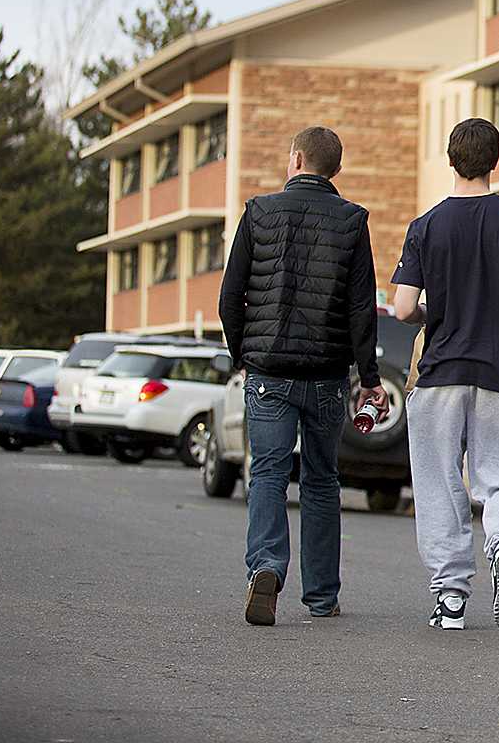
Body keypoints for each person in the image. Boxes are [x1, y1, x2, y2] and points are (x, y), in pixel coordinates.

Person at [392, 117, 499, 632]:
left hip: (439, 374)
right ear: (495, 160)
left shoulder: (426, 226)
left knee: (440, 486)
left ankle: (452, 600)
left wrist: (431, 318)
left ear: (450, 159)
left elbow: (401, 308)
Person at [219, 125, 387, 626]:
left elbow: (231, 297)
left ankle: (266, 568)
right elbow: (362, 309)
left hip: (268, 370)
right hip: (328, 374)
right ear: (336, 168)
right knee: (321, 481)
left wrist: (241, 356)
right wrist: (370, 376)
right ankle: (320, 595)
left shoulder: (259, 212)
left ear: (295, 159)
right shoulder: (352, 221)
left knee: (268, 473)